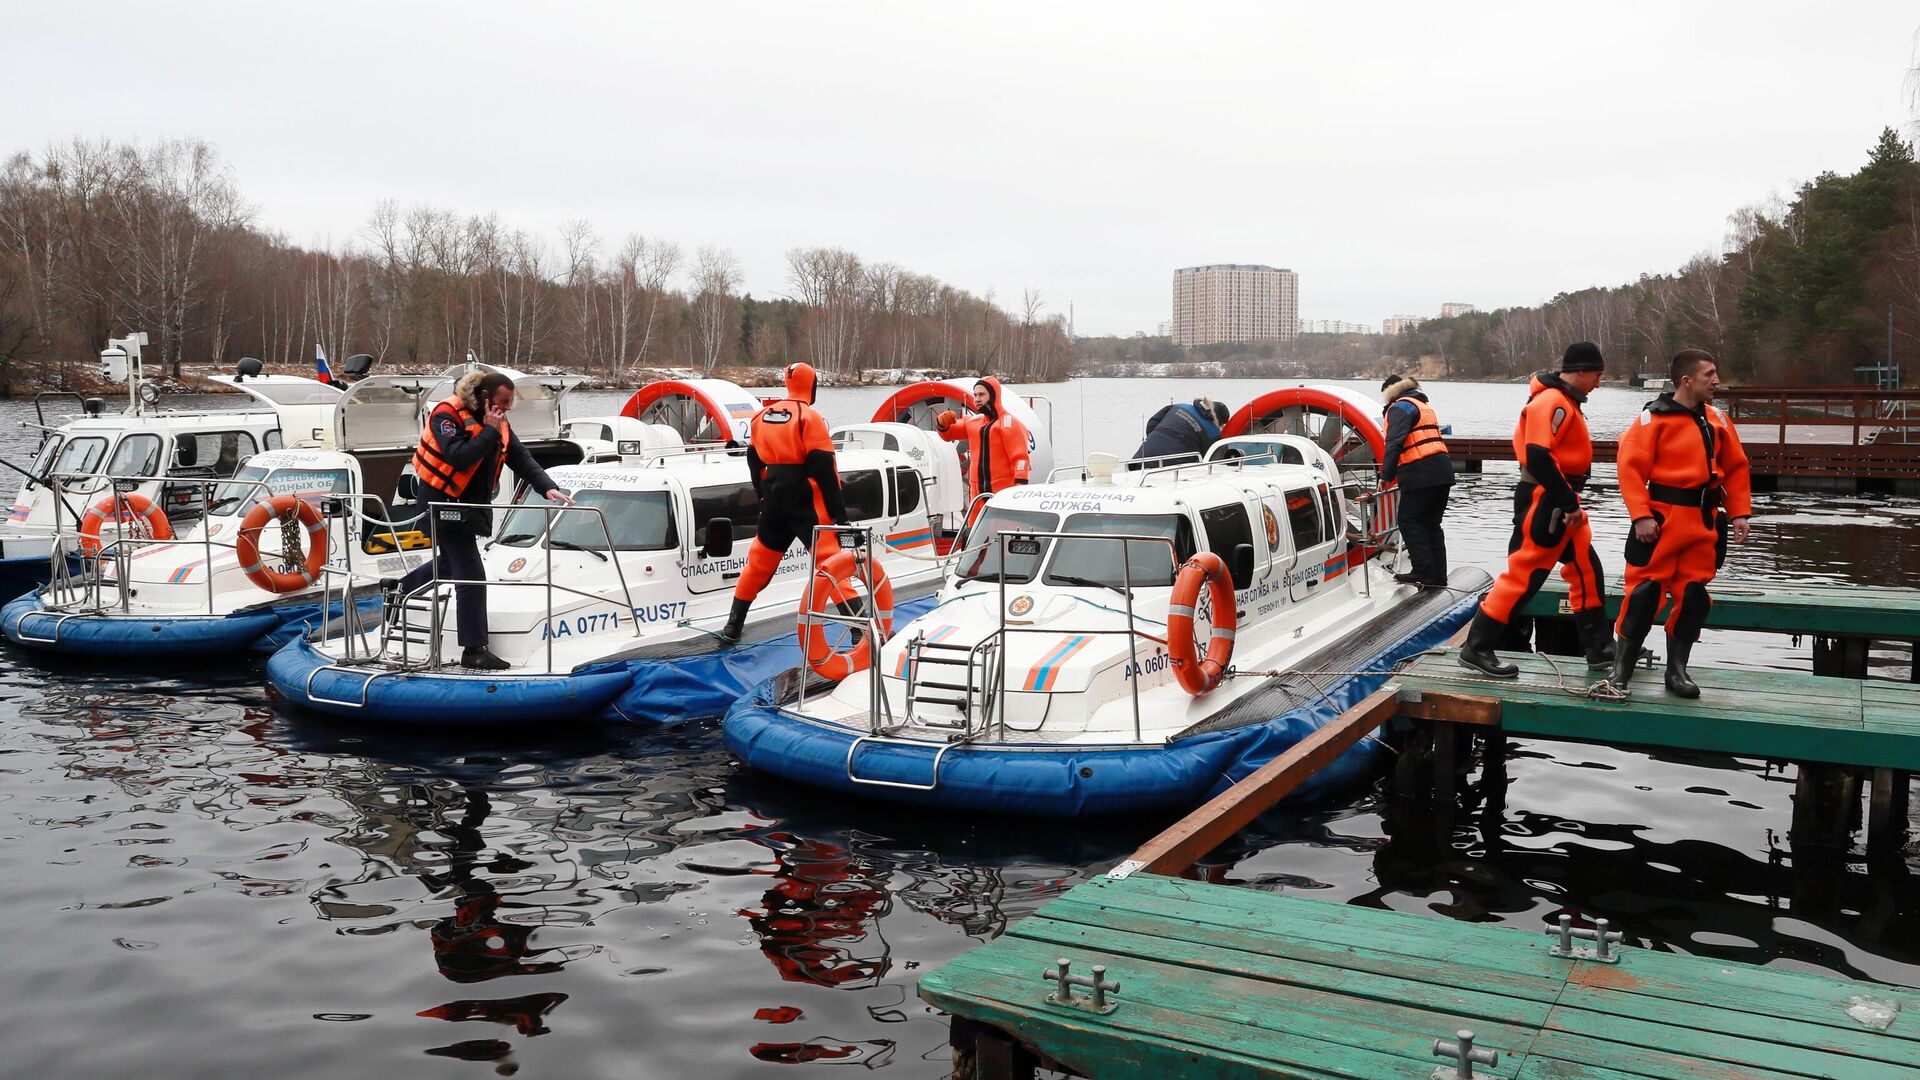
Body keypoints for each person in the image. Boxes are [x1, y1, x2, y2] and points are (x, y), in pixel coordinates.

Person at [397, 370, 571, 670]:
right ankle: (474, 648)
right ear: (484, 397)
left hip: (469, 505)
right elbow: (458, 457)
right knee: (472, 574)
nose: (507, 409)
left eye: (510, 403)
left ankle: (400, 589)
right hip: (442, 504)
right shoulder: (446, 415)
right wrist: (489, 429)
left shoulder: (499, 421)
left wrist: (547, 486)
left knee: (453, 564)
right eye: (502, 402)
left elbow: (519, 456)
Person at [1458, 342, 1613, 677]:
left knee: (1587, 571)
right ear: (1582, 370)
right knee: (1524, 575)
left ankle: (1602, 650)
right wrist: (1567, 502)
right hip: (1549, 500)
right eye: (1598, 375)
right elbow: (1538, 456)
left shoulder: (1563, 401)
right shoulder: (1552, 401)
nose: (1599, 383)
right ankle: (1477, 646)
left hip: (1559, 497)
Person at [1607, 348, 1751, 697]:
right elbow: (1629, 469)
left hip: (1703, 522)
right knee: (1644, 595)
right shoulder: (1651, 420)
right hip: (1661, 521)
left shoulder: (1717, 419)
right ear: (1686, 381)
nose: (1717, 380)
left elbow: (1736, 466)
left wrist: (1740, 512)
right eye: (1709, 374)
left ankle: (1677, 671)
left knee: (1694, 597)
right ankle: (1620, 670)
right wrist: (1640, 515)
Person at [718, 362, 851, 644]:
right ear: (812, 385)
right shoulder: (809, 417)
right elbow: (825, 470)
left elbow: (753, 462)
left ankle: (733, 625)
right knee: (830, 562)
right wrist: (841, 517)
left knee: (759, 561)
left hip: (773, 496)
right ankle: (858, 629)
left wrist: (763, 494)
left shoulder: (760, 416)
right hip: (805, 497)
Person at [1378, 375, 1452, 587]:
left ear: (1389, 394)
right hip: (1442, 470)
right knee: (1432, 525)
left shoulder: (1399, 407)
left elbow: (1394, 443)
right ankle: (1438, 576)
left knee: (1409, 521)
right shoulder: (1422, 404)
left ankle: (1422, 571)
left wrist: (1385, 476)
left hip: (1420, 472)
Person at [936, 377, 1032, 510]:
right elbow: (949, 434)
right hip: (977, 497)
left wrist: (1019, 489)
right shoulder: (974, 422)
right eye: (975, 395)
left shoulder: (1009, 423)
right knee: (972, 529)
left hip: (1003, 496)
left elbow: (1021, 459)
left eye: (981, 394)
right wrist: (942, 424)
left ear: (993, 395)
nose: (976, 399)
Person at [1130, 397, 1232, 468]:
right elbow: (1216, 460)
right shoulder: (1213, 433)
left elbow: (1152, 423)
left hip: (1141, 457)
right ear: (1220, 421)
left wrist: (1156, 439)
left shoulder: (1179, 407)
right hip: (1169, 469)